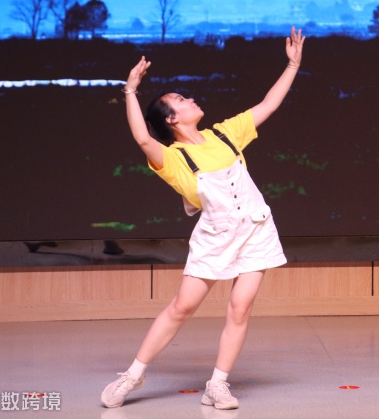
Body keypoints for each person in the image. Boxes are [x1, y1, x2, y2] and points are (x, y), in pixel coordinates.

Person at [101, 27, 306, 410]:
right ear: (172, 119)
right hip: (216, 237)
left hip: (256, 229)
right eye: (181, 100)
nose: (191, 99)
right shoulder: (173, 159)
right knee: (182, 307)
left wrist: (293, 65)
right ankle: (132, 374)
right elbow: (143, 139)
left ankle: (218, 384)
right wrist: (130, 90)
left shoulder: (224, 134)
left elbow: (268, 104)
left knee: (240, 307)